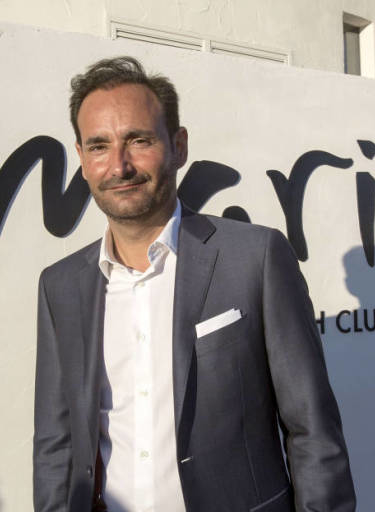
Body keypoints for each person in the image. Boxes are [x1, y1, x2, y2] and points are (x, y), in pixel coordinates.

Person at [33, 56, 355, 512]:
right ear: (82, 159)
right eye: (99, 146)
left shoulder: (255, 258)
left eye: (139, 140)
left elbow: (312, 431)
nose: (119, 165)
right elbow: (56, 444)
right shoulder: (60, 286)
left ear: (178, 146)